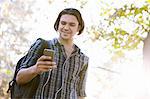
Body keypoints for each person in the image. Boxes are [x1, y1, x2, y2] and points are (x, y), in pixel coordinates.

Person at [16, 8, 89, 99]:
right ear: (58, 24)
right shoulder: (42, 45)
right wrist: (35, 69)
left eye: (72, 24)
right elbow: (19, 79)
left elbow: (80, 93)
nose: (66, 27)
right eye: (63, 23)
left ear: (78, 27)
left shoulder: (83, 59)